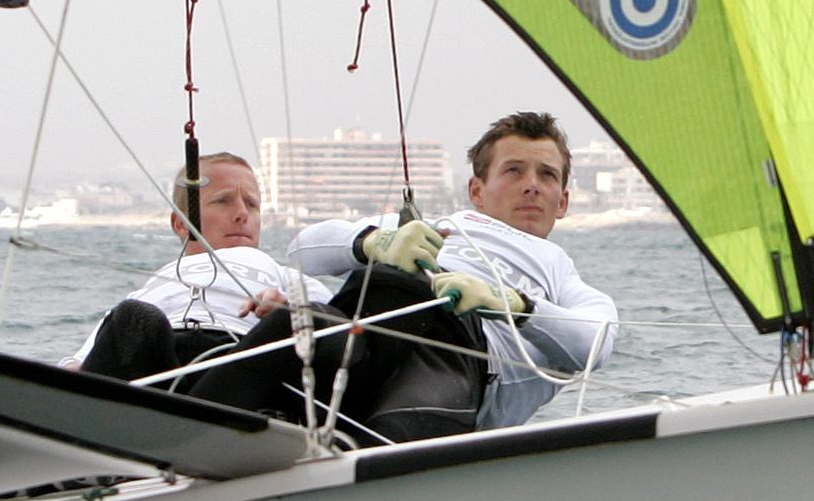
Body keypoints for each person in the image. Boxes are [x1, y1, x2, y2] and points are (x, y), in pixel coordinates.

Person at [289, 111, 620, 433]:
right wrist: (374, 242)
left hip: (456, 351)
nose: (531, 185)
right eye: (514, 171)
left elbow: (596, 344)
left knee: (398, 422)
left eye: (546, 174)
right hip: (370, 313)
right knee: (289, 324)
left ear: (562, 202)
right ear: (476, 191)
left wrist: (513, 304)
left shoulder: (560, 275)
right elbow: (302, 251)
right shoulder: (427, 228)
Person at [71, 152, 322, 392]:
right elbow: (77, 364)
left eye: (252, 204)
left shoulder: (285, 277)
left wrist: (288, 309)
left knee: (292, 318)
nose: (242, 214)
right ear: (181, 223)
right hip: (157, 367)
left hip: (240, 365)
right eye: (223, 201)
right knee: (133, 316)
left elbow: (337, 326)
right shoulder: (145, 291)